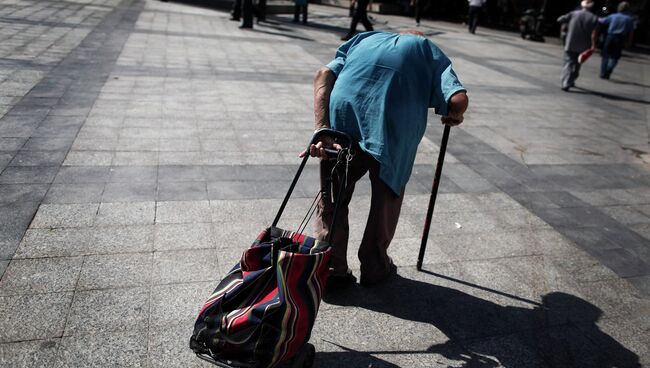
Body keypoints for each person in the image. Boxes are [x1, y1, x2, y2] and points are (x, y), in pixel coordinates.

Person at [303, 31, 468, 289]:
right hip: (392, 126)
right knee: (385, 198)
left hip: (342, 115)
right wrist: (454, 115)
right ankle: (375, 266)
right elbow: (457, 99)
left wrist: (321, 130)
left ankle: (331, 267)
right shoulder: (425, 47)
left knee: (332, 196)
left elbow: (323, 75)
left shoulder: (364, 39)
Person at [557, 0, 598, 91]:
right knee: (578, 63)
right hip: (584, 45)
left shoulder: (574, 13)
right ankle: (572, 80)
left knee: (569, 62)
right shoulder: (594, 18)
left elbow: (560, 19)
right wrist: (593, 45)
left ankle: (565, 82)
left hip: (571, 42)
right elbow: (594, 34)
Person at [599, 1, 635, 79]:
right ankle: (608, 69)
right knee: (614, 56)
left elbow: (603, 17)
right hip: (619, 37)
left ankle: (603, 72)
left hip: (610, 35)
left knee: (606, 55)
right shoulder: (628, 18)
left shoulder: (611, 12)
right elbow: (631, 32)